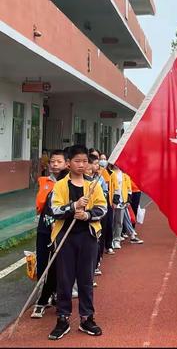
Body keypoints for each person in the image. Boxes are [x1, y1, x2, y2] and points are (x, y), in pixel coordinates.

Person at [48, 145, 107, 340]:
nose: (81, 165)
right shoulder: (60, 185)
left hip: (88, 237)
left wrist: (87, 215)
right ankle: (63, 318)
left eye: (84, 161)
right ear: (68, 163)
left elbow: (102, 208)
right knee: (64, 279)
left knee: (86, 279)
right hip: (65, 237)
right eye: (77, 161)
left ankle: (86, 318)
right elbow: (54, 210)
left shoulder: (94, 185)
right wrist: (73, 206)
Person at [31, 150, 68, 318]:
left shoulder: (70, 183)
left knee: (57, 264)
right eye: (52, 161)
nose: (54, 164)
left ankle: (46, 297)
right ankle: (43, 295)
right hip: (44, 228)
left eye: (58, 161)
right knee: (42, 262)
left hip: (60, 230)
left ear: (67, 163)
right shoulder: (44, 181)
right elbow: (40, 205)